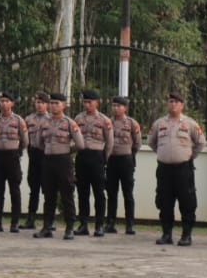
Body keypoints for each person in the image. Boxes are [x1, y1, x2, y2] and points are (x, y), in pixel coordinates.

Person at [150, 92, 205, 246]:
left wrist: (188, 156)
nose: (173, 104)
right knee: (164, 201)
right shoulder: (159, 123)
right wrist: (164, 153)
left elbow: (200, 143)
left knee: (187, 202)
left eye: (176, 102)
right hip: (164, 170)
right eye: (171, 101)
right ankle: (166, 234)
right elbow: (152, 142)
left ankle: (186, 235)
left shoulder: (190, 124)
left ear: (182, 105)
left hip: (183, 170)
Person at [33, 92, 83, 240]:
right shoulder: (44, 123)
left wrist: (66, 151)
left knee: (67, 194)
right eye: (52, 103)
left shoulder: (69, 123)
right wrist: (49, 150)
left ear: (64, 105)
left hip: (63, 161)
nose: (54, 106)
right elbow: (38, 143)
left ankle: (69, 227)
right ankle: (47, 227)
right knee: (49, 195)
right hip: (48, 161)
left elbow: (80, 144)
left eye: (57, 103)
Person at [73, 90, 113, 237]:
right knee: (82, 192)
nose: (87, 104)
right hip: (82, 157)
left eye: (90, 102)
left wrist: (104, 159)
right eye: (85, 102)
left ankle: (99, 225)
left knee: (99, 193)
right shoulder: (78, 118)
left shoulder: (104, 120)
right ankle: (83, 224)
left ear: (97, 102)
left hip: (97, 157)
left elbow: (109, 143)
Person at [0, 91, 27, 233]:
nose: (4, 103)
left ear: (12, 103)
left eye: (7, 101)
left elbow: (25, 140)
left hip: (12, 157)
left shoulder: (18, 120)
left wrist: (18, 151)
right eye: (2, 100)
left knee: (14, 190)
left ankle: (15, 222)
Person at [106, 95, 142, 235]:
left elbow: (138, 143)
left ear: (125, 108)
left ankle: (129, 225)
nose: (116, 108)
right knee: (111, 193)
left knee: (128, 193)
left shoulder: (132, 123)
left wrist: (129, 153)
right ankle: (110, 223)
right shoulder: (107, 122)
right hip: (111, 160)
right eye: (114, 106)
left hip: (126, 160)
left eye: (119, 106)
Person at [22, 92, 50, 230]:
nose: (39, 105)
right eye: (37, 102)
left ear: (47, 104)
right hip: (33, 155)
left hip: (46, 155)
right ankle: (31, 219)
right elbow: (24, 138)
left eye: (42, 103)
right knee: (33, 188)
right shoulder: (28, 119)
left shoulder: (51, 119)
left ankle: (49, 220)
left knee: (48, 189)